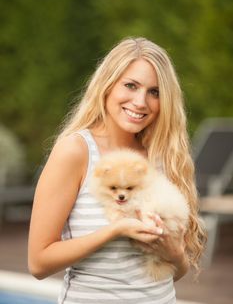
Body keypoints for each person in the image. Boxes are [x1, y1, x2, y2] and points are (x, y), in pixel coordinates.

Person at [28, 37, 206, 303]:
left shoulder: (163, 157)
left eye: (154, 92)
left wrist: (174, 254)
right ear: (107, 85)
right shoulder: (76, 151)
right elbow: (39, 263)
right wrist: (115, 230)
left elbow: (172, 273)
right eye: (131, 86)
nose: (141, 102)